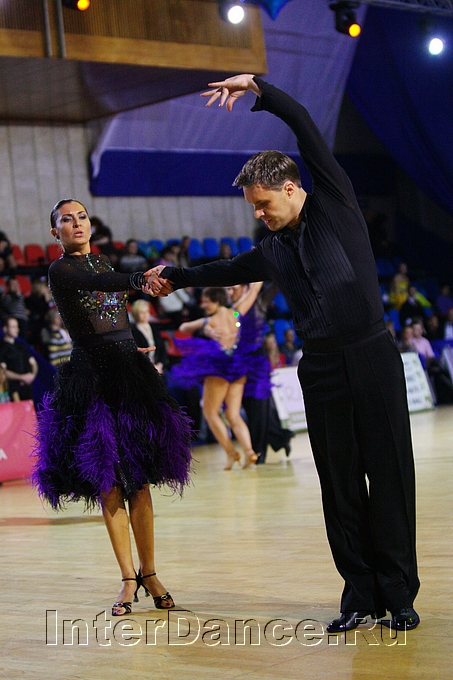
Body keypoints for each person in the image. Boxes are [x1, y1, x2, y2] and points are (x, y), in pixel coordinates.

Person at [146, 74, 420, 632]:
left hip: (373, 358)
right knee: (338, 485)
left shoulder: (336, 202)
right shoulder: (271, 249)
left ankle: (399, 595)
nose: (259, 214)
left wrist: (258, 87)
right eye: (253, 207)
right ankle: (359, 596)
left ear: (292, 189)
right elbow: (226, 269)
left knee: (390, 476)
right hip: (319, 369)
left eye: (263, 203)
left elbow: (304, 126)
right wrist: (174, 275)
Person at [31, 199, 192, 618]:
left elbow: (114, 312)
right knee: (109, 481)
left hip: (128, 373)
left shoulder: (103, 261)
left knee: (140, 480)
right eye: (67, 220)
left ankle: (150, 573)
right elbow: (100, 285)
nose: (76, 224)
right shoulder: (61, 269)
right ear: (55, 233)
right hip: (92, 379)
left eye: (82, 217)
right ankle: (126, 579)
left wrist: (129, 346)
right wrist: (138, 278)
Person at [171, 284, 265, 469]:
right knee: (233, 414)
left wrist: (205, 328)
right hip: (238, 366)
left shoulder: (209, 320)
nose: (203, 305)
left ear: (216, 301)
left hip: (219, 368)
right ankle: (249, 452)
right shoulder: (236, 312)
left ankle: (231, 453)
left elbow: (183, 327)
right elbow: (253, 291)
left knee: (210, 413)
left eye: (206, 302)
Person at [227, 283, 294, 463]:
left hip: (257, 362)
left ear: (244, 288)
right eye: (228, 289)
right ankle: (280, 438)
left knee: (258, 405)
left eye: (233, 288)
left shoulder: (257, 303)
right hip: (240, 361)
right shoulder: (232, 308)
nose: (230, 292)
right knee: (253, 406)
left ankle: (258, 451)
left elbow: (271, 286)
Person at [0, 316, 38, 400]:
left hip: (27, 388)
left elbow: (33, 362)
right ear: (5, 329)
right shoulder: (2, 348)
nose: (17, 329)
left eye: (17, 326)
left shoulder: (21, 346)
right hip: (13, 389)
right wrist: (21, 377)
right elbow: (3, 371)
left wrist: (32, 375)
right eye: (13, 327)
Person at [129, 299, 168, 374]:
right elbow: (137, 355)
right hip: (142, 369)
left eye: (147, 311)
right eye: (142, 312)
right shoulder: (133, 332)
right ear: (136, 314)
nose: (145, 315)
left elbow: (162, 349)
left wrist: (159, 365)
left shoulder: (154, 328)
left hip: (158, 367)